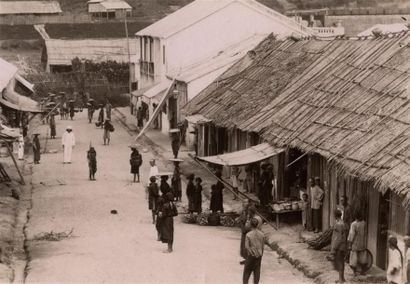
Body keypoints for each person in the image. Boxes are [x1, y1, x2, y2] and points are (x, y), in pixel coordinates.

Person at [243, 218, 267, 284]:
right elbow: (262, 246)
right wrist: (260, 254)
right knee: (257, 272)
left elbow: (247, 246)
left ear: (250, 225)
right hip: (259, 255)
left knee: (247, 272)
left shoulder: (248, 234)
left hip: (251, 256)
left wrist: (251, 253)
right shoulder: (262, 234)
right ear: (257, 224)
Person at [329, 209, 348, 283]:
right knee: (341, 262)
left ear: (335, 216)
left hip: (339, 246)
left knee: (339, 262)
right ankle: (342, 278)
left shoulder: (338, 224)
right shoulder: (342, 223)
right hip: (343, 245)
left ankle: (340, 279)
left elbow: (338, 238)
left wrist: (334, 248)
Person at [347, 211, 367, 276]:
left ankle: (354, 272)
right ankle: (363, 272)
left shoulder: (353, 224)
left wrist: (350, 244)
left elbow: (351, 234)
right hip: (362, 243)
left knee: (353, 259)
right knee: (362, 258)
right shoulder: (364, 223)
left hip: (355, 243)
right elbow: (366, 233)